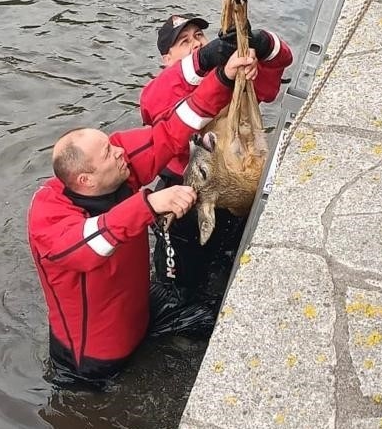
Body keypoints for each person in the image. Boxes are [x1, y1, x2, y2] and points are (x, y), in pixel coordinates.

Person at [27, 51, 257, 385]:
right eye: (108, 152)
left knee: (217, 313)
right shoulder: (47, 217)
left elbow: (171, 131)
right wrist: (150, 204)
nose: (118, 149)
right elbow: (87, 243)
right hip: (93, 363)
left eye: (111, 144)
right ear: (84, 181)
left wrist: (220, 74)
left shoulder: (116, 171)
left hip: (140, 312)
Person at [140, 14, 293, 301]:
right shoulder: (165, 87)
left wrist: (261, 43)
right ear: (166, 58)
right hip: (185, 191)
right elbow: (151, 104)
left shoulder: (232, 74)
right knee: (178, 280)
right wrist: (206, 63)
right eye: (184, 42)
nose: (195, 44)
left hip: (230, 187)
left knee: (225, 257)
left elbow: (276, 74)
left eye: (199, 36)